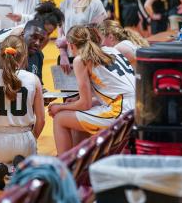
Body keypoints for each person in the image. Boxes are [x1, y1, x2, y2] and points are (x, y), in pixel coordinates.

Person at [0, 36, 45, 190]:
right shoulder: (34, 79)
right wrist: (32, 139)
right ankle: (19, 168)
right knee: (29, 157)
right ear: (24, 56)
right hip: (25, 140)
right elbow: (41, 120)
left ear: (1, 55)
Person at [48, 25, 135, 154]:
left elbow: (85, 104)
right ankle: (80, 162)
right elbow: (113, 93)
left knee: (60, 118)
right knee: (76, 117)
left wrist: (59, 107)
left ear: (71, 45)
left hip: (122, 111)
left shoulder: (80, 59)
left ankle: (64, 167)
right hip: (136, 105)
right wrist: (75, 102)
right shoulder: (112, 50)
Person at [57, 0, 107, 74]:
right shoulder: (64, 3)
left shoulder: (96, 4)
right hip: (67, 58)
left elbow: (96, 36)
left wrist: (70, 41)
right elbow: (60, 35)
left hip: (87, 58)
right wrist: (63, 55)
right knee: (67, 91)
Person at [0, 0, 64, 58]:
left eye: (49, 33)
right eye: (45, 30)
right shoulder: (18, 33)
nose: (45, 35)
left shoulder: (44, 39)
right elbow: (4, 56)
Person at [0, 19, 47, 83]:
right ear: (23, 34)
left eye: (41, 40)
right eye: (34, 37)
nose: (37, 43)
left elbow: (39, 84)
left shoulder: (38, 55)